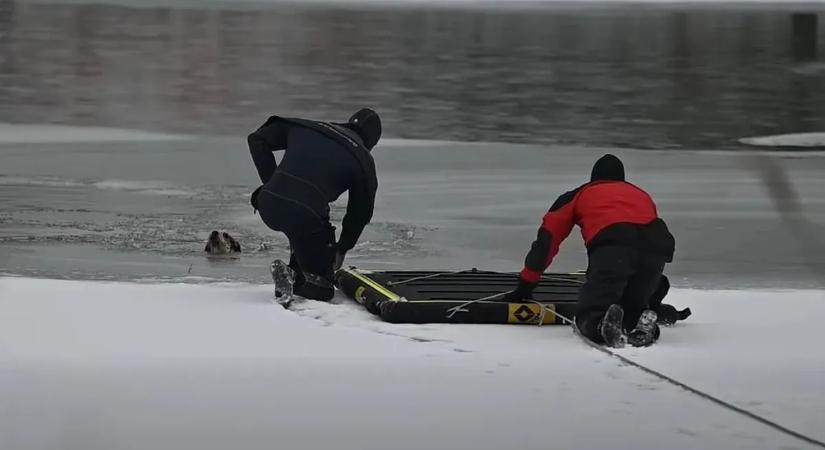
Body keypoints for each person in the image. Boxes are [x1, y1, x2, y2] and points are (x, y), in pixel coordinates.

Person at [504, 154, 676, 347]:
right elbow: (641, 237)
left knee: (590, 313)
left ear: (593, 178)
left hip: (615, 246)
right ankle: (642, 318)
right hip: (656, 248)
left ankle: (600, 325)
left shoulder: (579, 194)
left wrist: (526, 285)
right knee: (632, 305)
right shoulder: (640, 194)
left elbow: (547, 242)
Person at [247, 108, 381, 304]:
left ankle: (294, 269)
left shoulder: (311, 127)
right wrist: (342, 248)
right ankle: (292, 277)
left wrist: (272, 184)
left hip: (268, 203)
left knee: (308, 223)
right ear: (371, 141)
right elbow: (360, 214)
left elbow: (257, 139)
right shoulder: (363, 160)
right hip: (305, 215)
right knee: (324, 288)